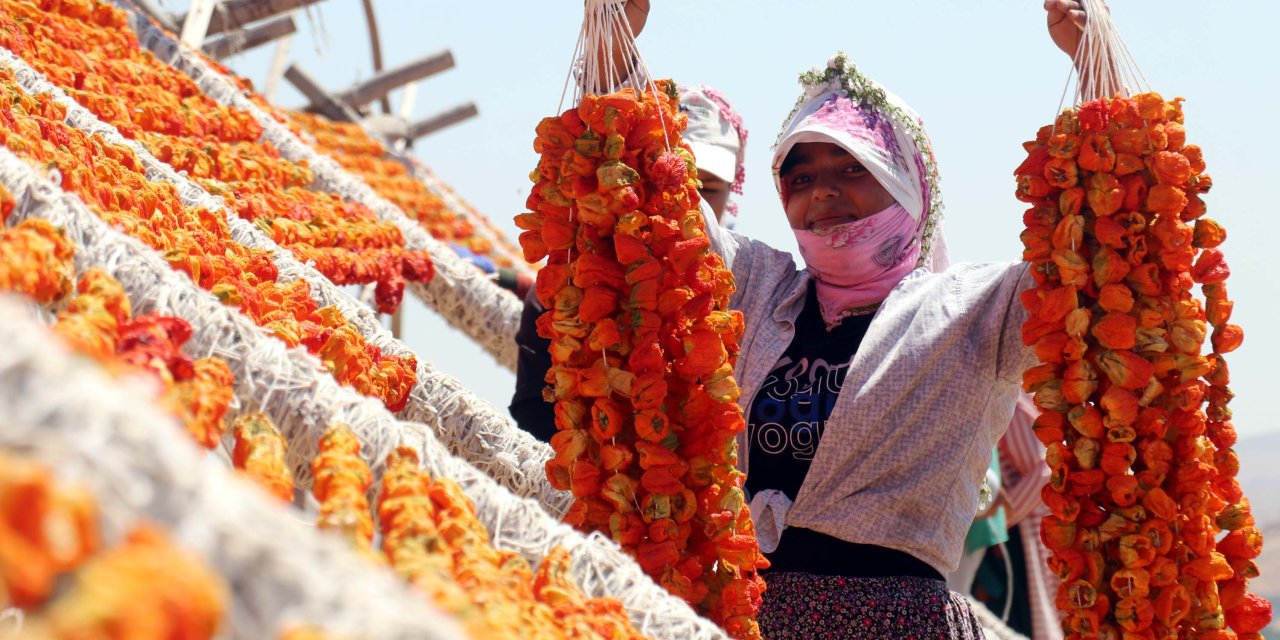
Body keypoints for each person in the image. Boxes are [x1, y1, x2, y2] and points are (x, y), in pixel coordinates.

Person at [574, 1, 1092, 637]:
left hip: (903, 626)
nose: (821, 190)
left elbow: (1091, 263)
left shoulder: (973, 310)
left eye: (853, 168)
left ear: (907, 183)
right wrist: (614, 60)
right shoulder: (760, 288)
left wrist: (1093, 68)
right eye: (801, 176)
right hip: (747, 618)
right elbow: (662, 207)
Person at [508, 82, 749, 442]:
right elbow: (536, 418)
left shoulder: (749, 282)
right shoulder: (563, 288)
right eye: (662, 178)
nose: (688, 199)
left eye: (707, 189)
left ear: (732, 190)